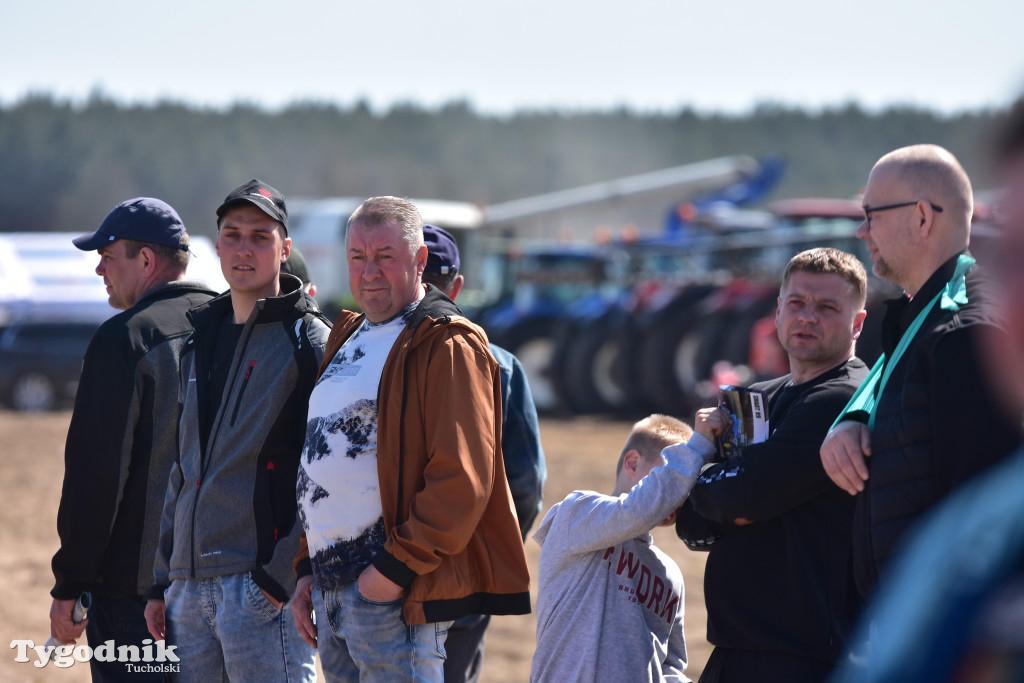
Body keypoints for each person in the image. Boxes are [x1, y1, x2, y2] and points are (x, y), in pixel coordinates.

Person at [290, 196, 531, 682]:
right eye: (357, 257)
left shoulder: (447, 343)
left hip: (388, 592)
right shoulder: (349, 335)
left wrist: (392, 572)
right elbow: (323, 456)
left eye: (385, 256)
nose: (369, 271)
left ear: (420, 261)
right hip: (331, 590)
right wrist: (306, 567)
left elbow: (462, 479)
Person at [828, 99, 1024, 683]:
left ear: (920, 216)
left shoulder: (963, 333)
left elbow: (979, 531)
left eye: (870, 213)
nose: (860, 229)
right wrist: (854, 415)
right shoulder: (923, 320)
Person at [143, 179, 330, 681]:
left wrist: (278, 577)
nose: (244, 248)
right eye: (233, 234)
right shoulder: (197, 338)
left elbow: (330, 472)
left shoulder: (312, 342)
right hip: (187, 588)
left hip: (261, 588)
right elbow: (184, 464)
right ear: (217, 243)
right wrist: (165, 578)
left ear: (285, 248)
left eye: (260, 236)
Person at [676, 247, 870, 682]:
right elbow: (695, 524)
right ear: (778, 311)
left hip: (804, 654)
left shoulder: (844, 398)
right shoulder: (759, 397)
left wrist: (722, 492)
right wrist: (729, 501)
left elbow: (742, 494)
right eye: (797, 303)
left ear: (857, 323)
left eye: (827, 307)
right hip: (739, 646)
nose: (808, 317)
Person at [48, 198, 217, 681]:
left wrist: (70, 585)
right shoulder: (232, 326)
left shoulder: (124, 338)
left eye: (108, 254)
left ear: (146, 261)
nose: (99, 267)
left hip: (135, 598)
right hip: (228, 588)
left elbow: (95, 478)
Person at [419, 223, 547, 683]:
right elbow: (527, 481)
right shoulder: (500, 363)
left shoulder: (367, 356)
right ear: (457, 286)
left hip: (380, 575)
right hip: (463, 572)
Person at [530, 413, 716, 683]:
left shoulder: (670, 574)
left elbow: (669, 665)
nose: (680, 493)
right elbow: (636, 511)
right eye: (671, 476)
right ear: (632, 463)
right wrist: (698, 446)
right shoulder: (578, 513)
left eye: (687, 485)